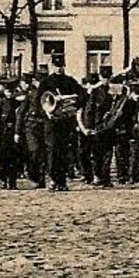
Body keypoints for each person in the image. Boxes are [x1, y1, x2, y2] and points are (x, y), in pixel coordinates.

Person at [36, 56, 86, 191]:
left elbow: (83, 95)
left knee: (64, 152)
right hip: (51, 121)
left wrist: (73, 104)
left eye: (61, 65)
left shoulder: (70, 81)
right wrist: (47, 111)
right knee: (52, 150)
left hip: (65, 121)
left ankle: (62, 181)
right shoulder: (46, 82)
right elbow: (39, 101)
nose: (59, 68)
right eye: (57, 66)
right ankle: (53, 179)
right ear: (52, 66)